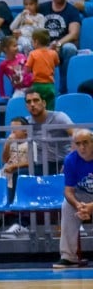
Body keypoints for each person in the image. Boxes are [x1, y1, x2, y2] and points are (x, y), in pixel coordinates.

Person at [54, 129, 93, 268]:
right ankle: (68, 257)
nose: (82, 147)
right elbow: (68, 191)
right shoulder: (70, 160)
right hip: (82, 196)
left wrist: (91, 206)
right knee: (67, 205)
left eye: (85, 143)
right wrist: (78, 205)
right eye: (78, 144)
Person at [39, 0, 83, 93]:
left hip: (62, 47)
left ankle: (64, 87)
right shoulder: (42, 8)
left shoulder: (72, 10)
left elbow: (74, 34)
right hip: (44, 46)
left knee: (70, 48)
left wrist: (57, 44)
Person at [27, 29, 59, 109]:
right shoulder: (53, 53)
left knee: (38, 108)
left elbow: (27, 69)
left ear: (36, 41)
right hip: (49, 85)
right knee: (50, 109)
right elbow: (57, 63)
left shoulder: (33, 54)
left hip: (37, 85)